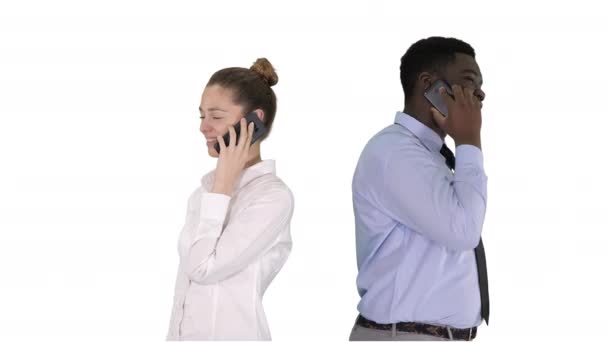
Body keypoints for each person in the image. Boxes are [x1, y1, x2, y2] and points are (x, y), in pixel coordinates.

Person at [349, 37, 489, 341]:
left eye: (481, 85)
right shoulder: (395, 152)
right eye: (469, 81)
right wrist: (469, 141)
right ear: (430, 85)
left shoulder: (429, 156)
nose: (480, 93)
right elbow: (464, 231)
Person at [166, 58, 294, 341]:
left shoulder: (273, 198)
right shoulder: (203, 194)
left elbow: (203, 269)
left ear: (254, 121)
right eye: (202, 116)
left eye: (216, 116)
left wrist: (223, 183)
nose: (203, 127)